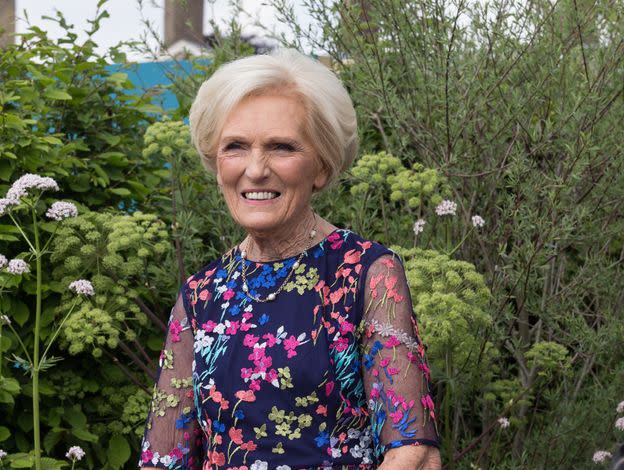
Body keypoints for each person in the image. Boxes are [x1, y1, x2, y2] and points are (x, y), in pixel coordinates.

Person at [138, 48, 440, 470]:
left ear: (321, 165)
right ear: (216, 162)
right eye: (236, 147)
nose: (256, 169)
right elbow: (162, 460)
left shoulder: (365, 275)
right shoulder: (200, 296)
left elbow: (415, 452)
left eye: (281, 147)